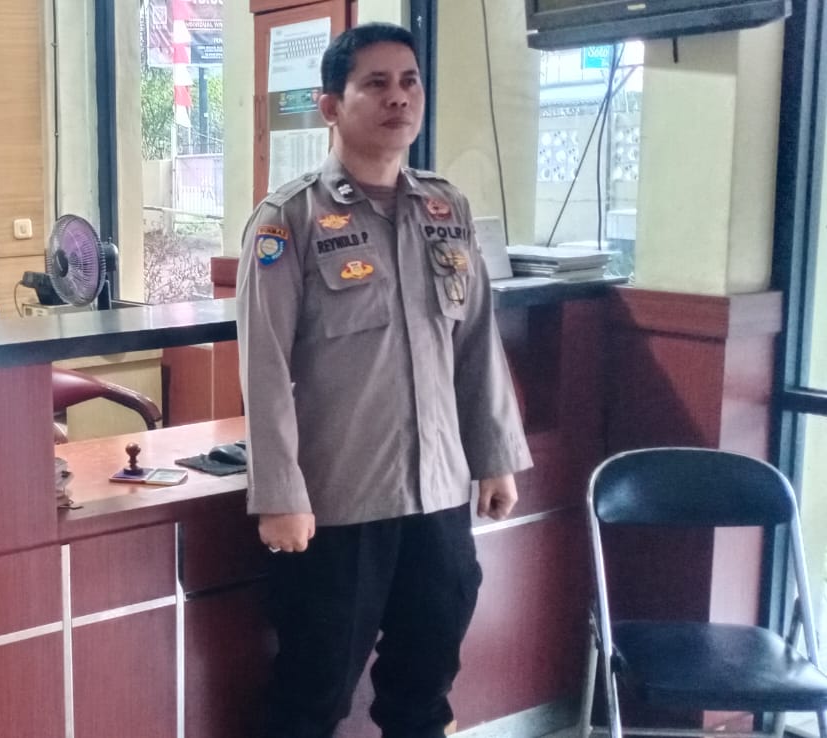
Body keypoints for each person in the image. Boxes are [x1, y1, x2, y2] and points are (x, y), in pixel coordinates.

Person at [235, 22, 531, 738]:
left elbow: (475, 343)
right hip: (337, 505)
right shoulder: (289, 219)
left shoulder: (445, 209)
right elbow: (263, 368)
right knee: (311, 698)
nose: (399, 98)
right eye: (376, 84)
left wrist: (493, 457)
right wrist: (278, 495)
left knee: (424, 691)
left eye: (409, 82)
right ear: (330, 106)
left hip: (438, 498)